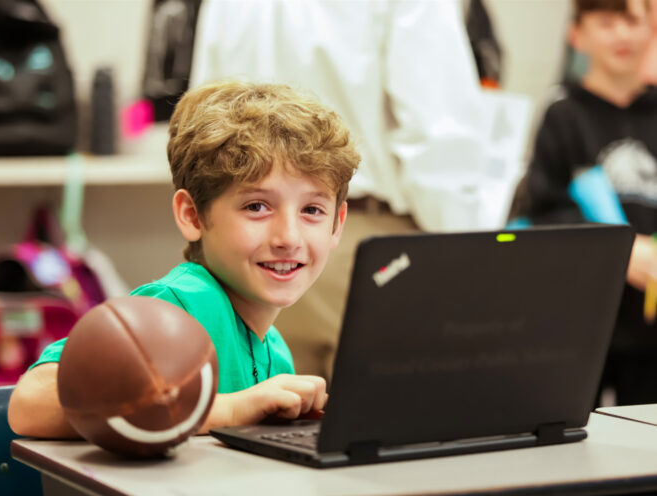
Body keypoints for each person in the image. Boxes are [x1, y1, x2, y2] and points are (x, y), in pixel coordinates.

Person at [7, 80, 360, 438]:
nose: (288, 237)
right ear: (192, 215)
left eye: (312, 210)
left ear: (337, 224)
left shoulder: (275, 350)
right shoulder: (179, 307)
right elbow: (31, 403)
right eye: (257, 206)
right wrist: (230, 409)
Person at [190, 0, 496, 379]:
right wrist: (469, 258)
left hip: (247, 251)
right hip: (367, 247)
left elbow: (201, 118)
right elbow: (439, 139)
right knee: (389, 428)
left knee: (266, 427)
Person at [512, 0, 657, 405]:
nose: (622, 35)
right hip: (579, 321)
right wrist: (620, 249)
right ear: (577, 34)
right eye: (606, 22)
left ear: (651, 27)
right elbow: (541, 213)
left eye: (631, 20)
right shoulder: (562, 115)